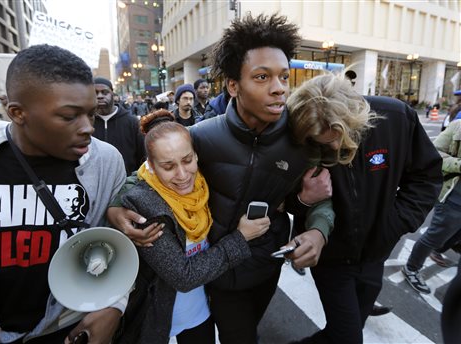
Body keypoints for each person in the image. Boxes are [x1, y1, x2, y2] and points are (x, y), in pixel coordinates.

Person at [108, 14, 335, 344]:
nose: (279, 88)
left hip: (267, 267)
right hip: (215, 271)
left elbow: (318, 194)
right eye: (262, 77)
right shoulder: (201, 136)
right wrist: (117, 207)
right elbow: (148, 174)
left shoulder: (300, 140)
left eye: (284, 77)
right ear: (233, 85)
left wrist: (318, 230)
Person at [0, 44, 127, 344]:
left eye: (91, 114)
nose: (88, 128)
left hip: (68, 328)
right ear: (17, 113)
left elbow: (115, 246)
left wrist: (114, 304)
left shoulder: (107, 162)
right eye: (69, 116)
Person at [285, 73, 443, 344]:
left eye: (341, 135)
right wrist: (303, 201)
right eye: (323, 143)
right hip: (330, 258)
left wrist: (394, 224)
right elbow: (281, 199)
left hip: (376, 254)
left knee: (348, 329)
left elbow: (426, 177)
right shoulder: (295, 133)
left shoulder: (394, 117)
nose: (335, 147)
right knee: (348, 337)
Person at [115, 109, 271, 344]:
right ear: (151, 166)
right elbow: (183, 276)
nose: (182, 174)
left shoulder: (204, 181)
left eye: (187, 160)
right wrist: (241, 237)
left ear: (197, 156)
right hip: (157, 315)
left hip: (200, 310)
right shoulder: (141, 204)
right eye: (168, 166)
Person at [402, 118, 461, 294]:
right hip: (454, 198)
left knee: (453, 235)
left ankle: (439, 248)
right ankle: (411, 268)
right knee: (434, 236)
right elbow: (434, 154)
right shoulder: (458, 126)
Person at [93, 77, 146, 175]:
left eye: (104, 92)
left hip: (128, 183)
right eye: (95, 93)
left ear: (112, 94)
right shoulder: (86, 123)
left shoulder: (132, 122)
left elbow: (143, 156)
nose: (100, 96)